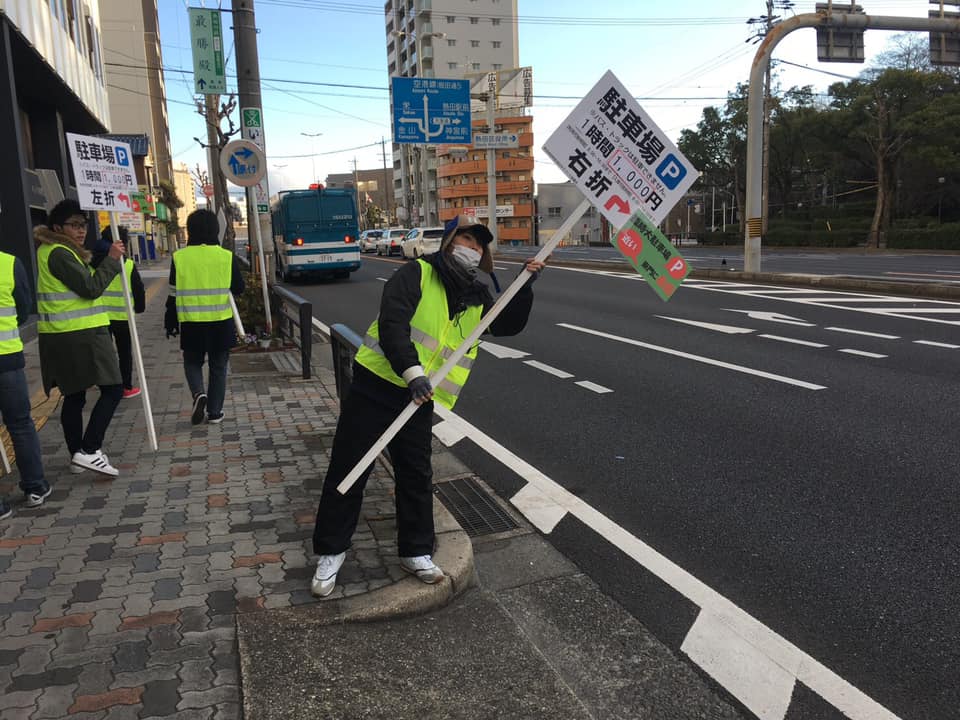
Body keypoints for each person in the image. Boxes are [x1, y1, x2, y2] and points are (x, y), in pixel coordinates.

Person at [311, 215, 546, 597]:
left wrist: (525, 284)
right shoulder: (416, 273)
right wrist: (412, 372)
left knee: (415, 474)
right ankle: (331, 551)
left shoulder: (476, 293)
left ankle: (416, 551)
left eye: (477, 244)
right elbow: (392, 325)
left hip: (420, 397)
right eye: (465, 239)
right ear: (449, 241)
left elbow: (505, 325)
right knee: (350, 466)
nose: (470, 248)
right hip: (379, 384)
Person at [35, 199, 125, 477]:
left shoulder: (53, 251)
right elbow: (91, 288)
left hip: (63, 335)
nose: (80, 231)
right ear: (57, 227)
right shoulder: (59, 253)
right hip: (80, 336)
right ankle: (89, 449)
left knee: (74, 396)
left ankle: (78, 455)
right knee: (113, 389)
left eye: (83, 225)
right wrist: (111, 260)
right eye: (74, 225)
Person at [164, 209, 244, 425]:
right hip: (220, 321)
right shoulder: (225, 256)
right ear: (215, 230)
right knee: (219, 367)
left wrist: (170, 320)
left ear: (190, 231)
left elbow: (172, 293)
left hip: (191, 321)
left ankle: (198, 393)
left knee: (192, 361)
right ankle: (215, 412)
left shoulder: (180, 257)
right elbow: (239, 288)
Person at [0, 245, 51, 519]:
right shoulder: (9, 263)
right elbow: (23, 309)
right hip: (7, 358)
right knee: (19, 424)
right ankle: (34, 488)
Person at [93, 226, 146, 399]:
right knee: (125, 352)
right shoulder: (127, 264)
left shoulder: (91, 263)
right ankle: (126, 386)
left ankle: (107, 386)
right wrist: (139, 307)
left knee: (104, 353)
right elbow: (138, 289)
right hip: (123, 316)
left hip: (98, 316)